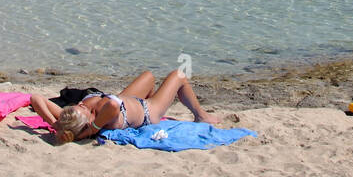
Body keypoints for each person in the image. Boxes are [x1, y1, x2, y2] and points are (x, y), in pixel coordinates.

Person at [30, 69, 220, 144]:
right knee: (179, 75)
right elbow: (113, 105)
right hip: (147, 110)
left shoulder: (69, 120)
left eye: (78, 105)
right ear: (88, 122)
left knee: (149, 77)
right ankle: (201, 115)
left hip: (127, 100)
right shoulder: (99, 118)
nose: (82, 104)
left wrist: (54, 123)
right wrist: (94, 128)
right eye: (84, 109)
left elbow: (36, 98)